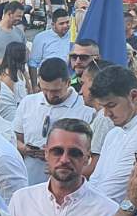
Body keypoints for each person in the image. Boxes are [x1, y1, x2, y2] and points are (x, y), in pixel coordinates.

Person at [87, 65, 137, 204]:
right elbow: (95, 181)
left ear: (134, 96)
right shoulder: (113, 133)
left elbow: (114, 191)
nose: (106, 114)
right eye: (103, 107)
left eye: (111, 105)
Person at [14, 57, 97, 185]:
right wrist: (25, 149)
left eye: (55, 91)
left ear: (68, 83)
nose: (49, 95)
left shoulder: (86, 109)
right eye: (44, 89)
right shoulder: (28, 102)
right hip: (29, 180)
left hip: (67, 183)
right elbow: (15, 138)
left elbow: (91, 153)